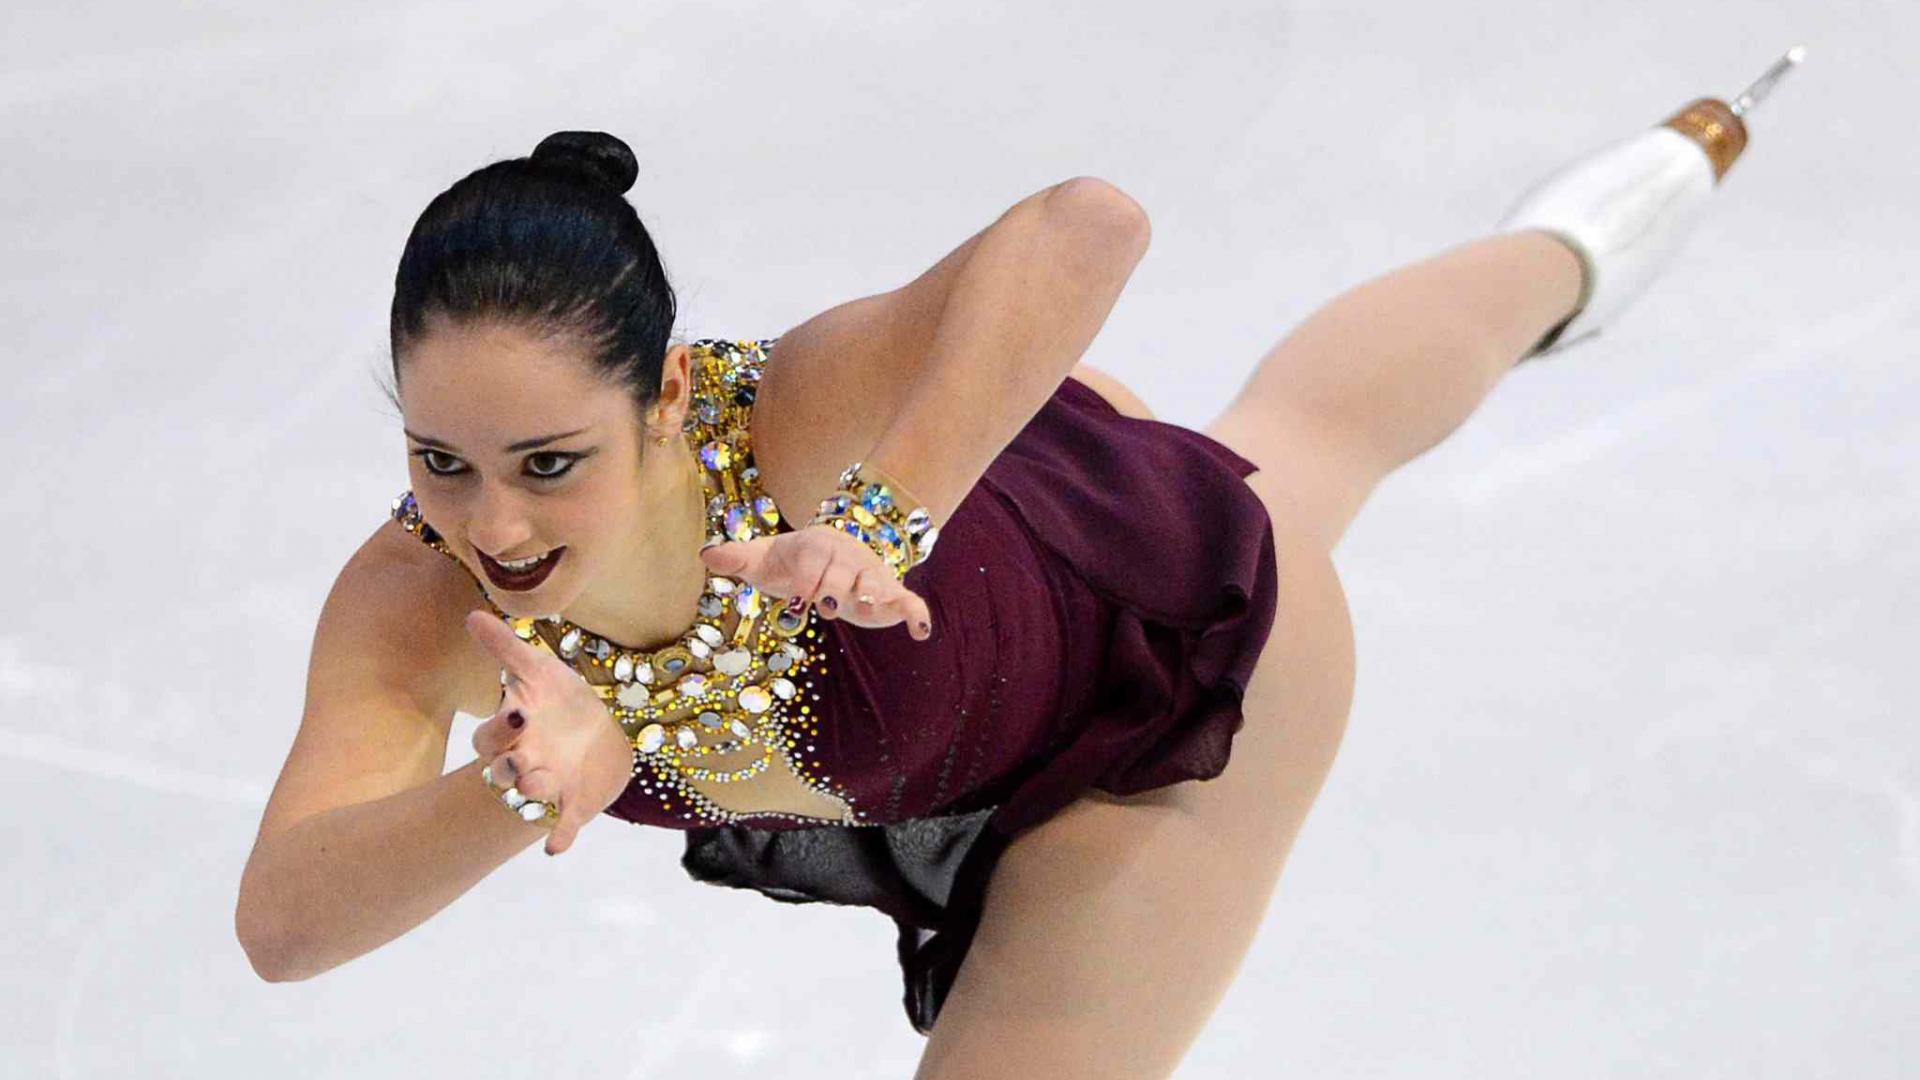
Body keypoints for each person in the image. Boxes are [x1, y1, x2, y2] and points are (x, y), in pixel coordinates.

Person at [236, 52, 1793, 1077]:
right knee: (1305, 439)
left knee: (1299, 467)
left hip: (1166, 703)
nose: (495, 529)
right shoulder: (414, 601)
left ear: (661, 401)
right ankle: (1593, 239)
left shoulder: (784, 418)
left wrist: (883, 519)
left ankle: (1588, 239)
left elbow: (1088, 226)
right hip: (1035, 581)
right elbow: (284, 926)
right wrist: (527, 785)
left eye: (547, 464)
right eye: (441, 459)